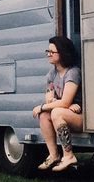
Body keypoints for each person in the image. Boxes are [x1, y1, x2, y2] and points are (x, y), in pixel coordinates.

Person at [32, 35, 82, 171]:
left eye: (52, 52)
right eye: (47, 51)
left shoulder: (73, 73)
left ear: (63, 53)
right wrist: (64, 104)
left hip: (81, 116)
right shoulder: (51, 74)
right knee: (44, 115)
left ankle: (69, 156)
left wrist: (59, 104)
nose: (48, 54)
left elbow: (62, 102)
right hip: (69, 111)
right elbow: (50, 98)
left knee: (56, 111)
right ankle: (53, 155)